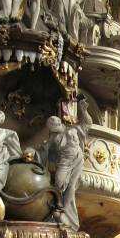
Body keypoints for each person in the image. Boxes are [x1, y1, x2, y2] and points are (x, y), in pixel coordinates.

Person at [40, 98, 92, 231]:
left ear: (58, 123)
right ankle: (60, 213)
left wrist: (84, 110)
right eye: (50, 126)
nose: (52, 127)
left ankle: (65, 215)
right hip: (64, 163)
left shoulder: (72, 130)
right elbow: (45, 152)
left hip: (76, 161)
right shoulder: (53, 138)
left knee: (70, 188)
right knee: (59, 184)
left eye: (54, 124)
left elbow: (87, 124)